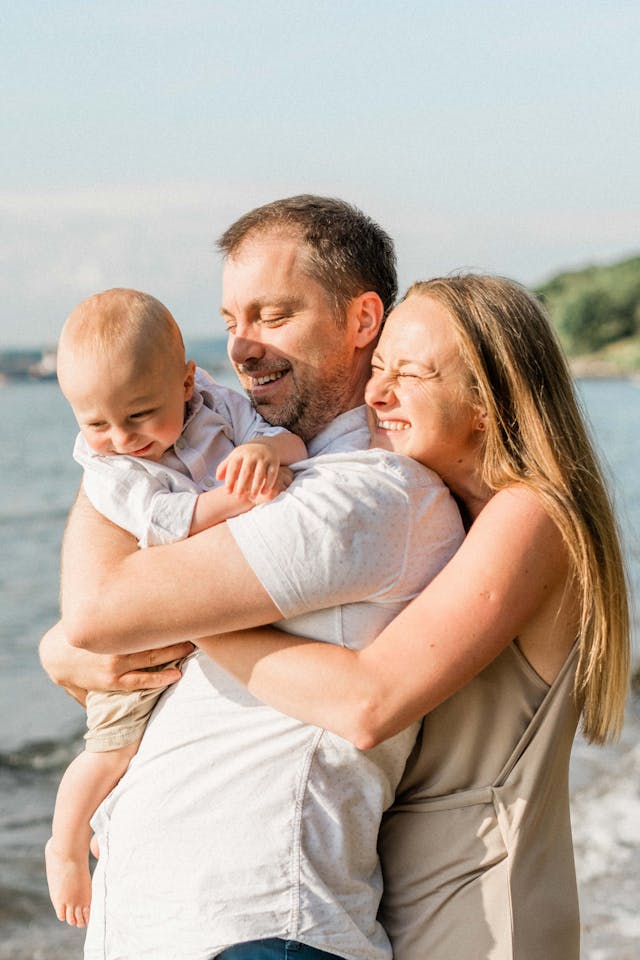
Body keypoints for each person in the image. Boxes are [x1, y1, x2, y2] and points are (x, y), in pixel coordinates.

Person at [39, 196, 465, 960]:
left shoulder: (369, 492)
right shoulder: (246, 471)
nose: (243, 347)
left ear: (362, 320)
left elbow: (100, 610)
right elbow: (103, 621)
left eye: (270, 316)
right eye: (232, 320)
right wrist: (134, 446)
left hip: (258, 928)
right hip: (165, 929)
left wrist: (110, 463)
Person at [198, 275, 630, 960]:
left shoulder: (532, 516)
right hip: (424, 890)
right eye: (379, 368)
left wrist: (189, 619)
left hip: (484, 904)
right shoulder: (453, 521)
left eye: (411, 373)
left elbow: (368, 703)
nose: (375, 393)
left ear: (487, 403)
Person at [46, 287, 307, 928]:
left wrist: (266, 454)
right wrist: (240, 499)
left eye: (140, 415)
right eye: (95, 423)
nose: (121, 438)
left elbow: (287, 443)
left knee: (160, 750)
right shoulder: (107, 469)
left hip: (185, 621)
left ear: (188, 381)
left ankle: (112, 825)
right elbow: (172, 521)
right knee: (112, 751)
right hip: (141, 634)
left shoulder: (219, 404)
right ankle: (66, 842)